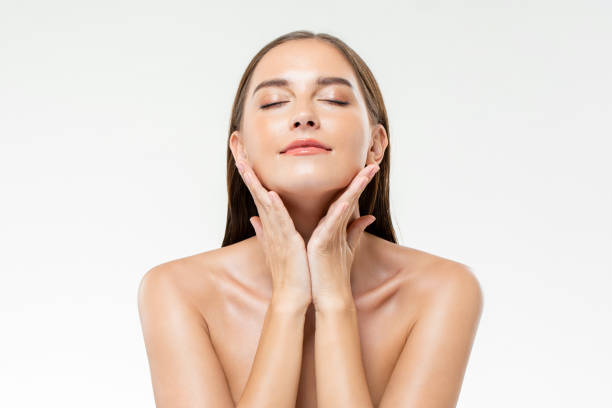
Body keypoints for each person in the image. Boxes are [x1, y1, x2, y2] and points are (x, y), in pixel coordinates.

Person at [137, 30, 483, 408]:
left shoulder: (442, 290)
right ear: (240, 150)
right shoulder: (177, 290)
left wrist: (334, 301)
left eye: (333, 99)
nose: (303, 116)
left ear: (375, 144)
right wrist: (288, 299)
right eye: (274, 102)